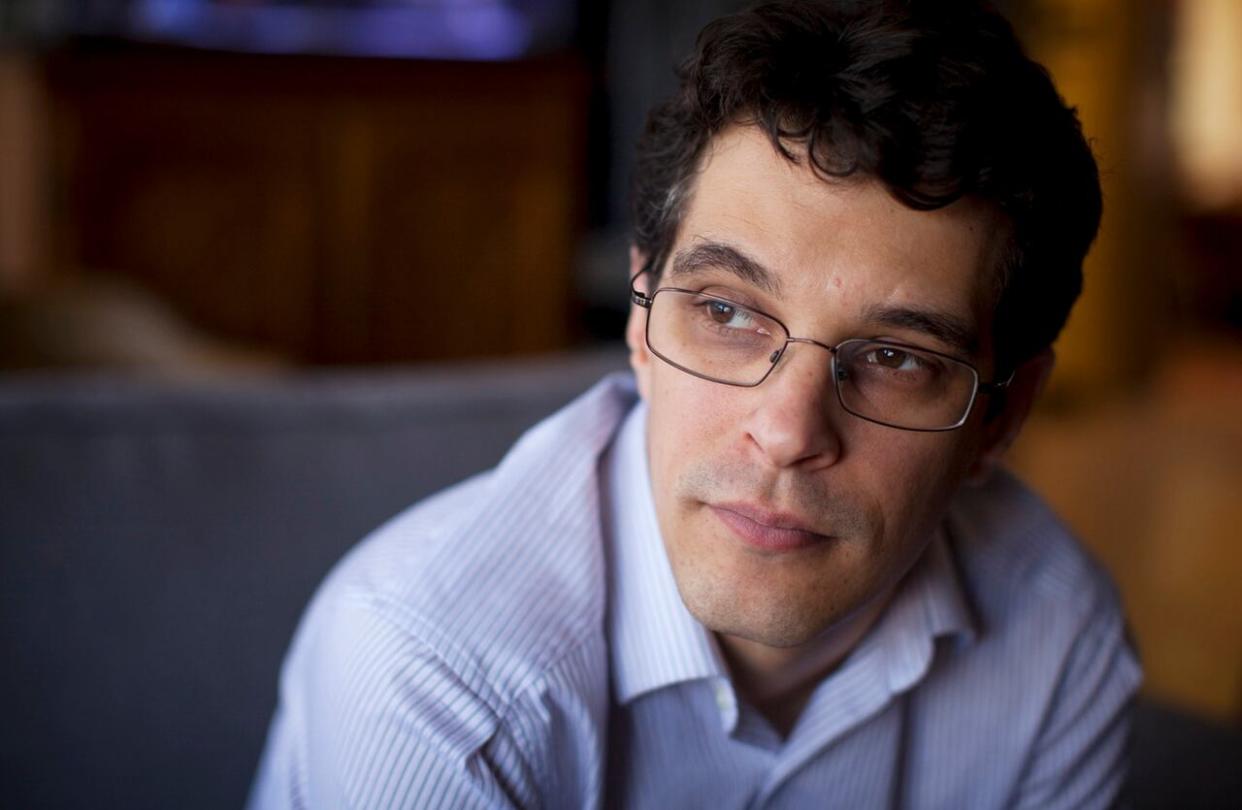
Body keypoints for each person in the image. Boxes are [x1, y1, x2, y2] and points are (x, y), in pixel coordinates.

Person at [249, 1, 1141, 807]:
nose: (788, 431)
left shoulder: (1057, 638)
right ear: (641, 319)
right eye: (726, 313)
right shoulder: (429, 674)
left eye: (896, 358)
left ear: (1003, 416)